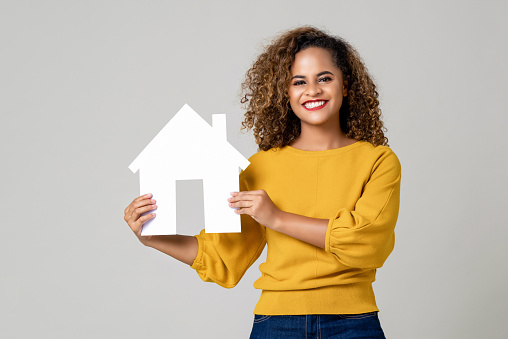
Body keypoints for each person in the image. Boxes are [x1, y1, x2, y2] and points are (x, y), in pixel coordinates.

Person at [124, 26, 401, 339]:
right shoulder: (258, 168)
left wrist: (277, 218)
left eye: (324, 78)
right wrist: (152, 238)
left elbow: (367, 243)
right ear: (285, 91)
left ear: (346, 85)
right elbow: (223, 258)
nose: (312, 90)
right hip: (276, 325)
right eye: (299, 81)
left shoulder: (378, 160)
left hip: (353, 323)